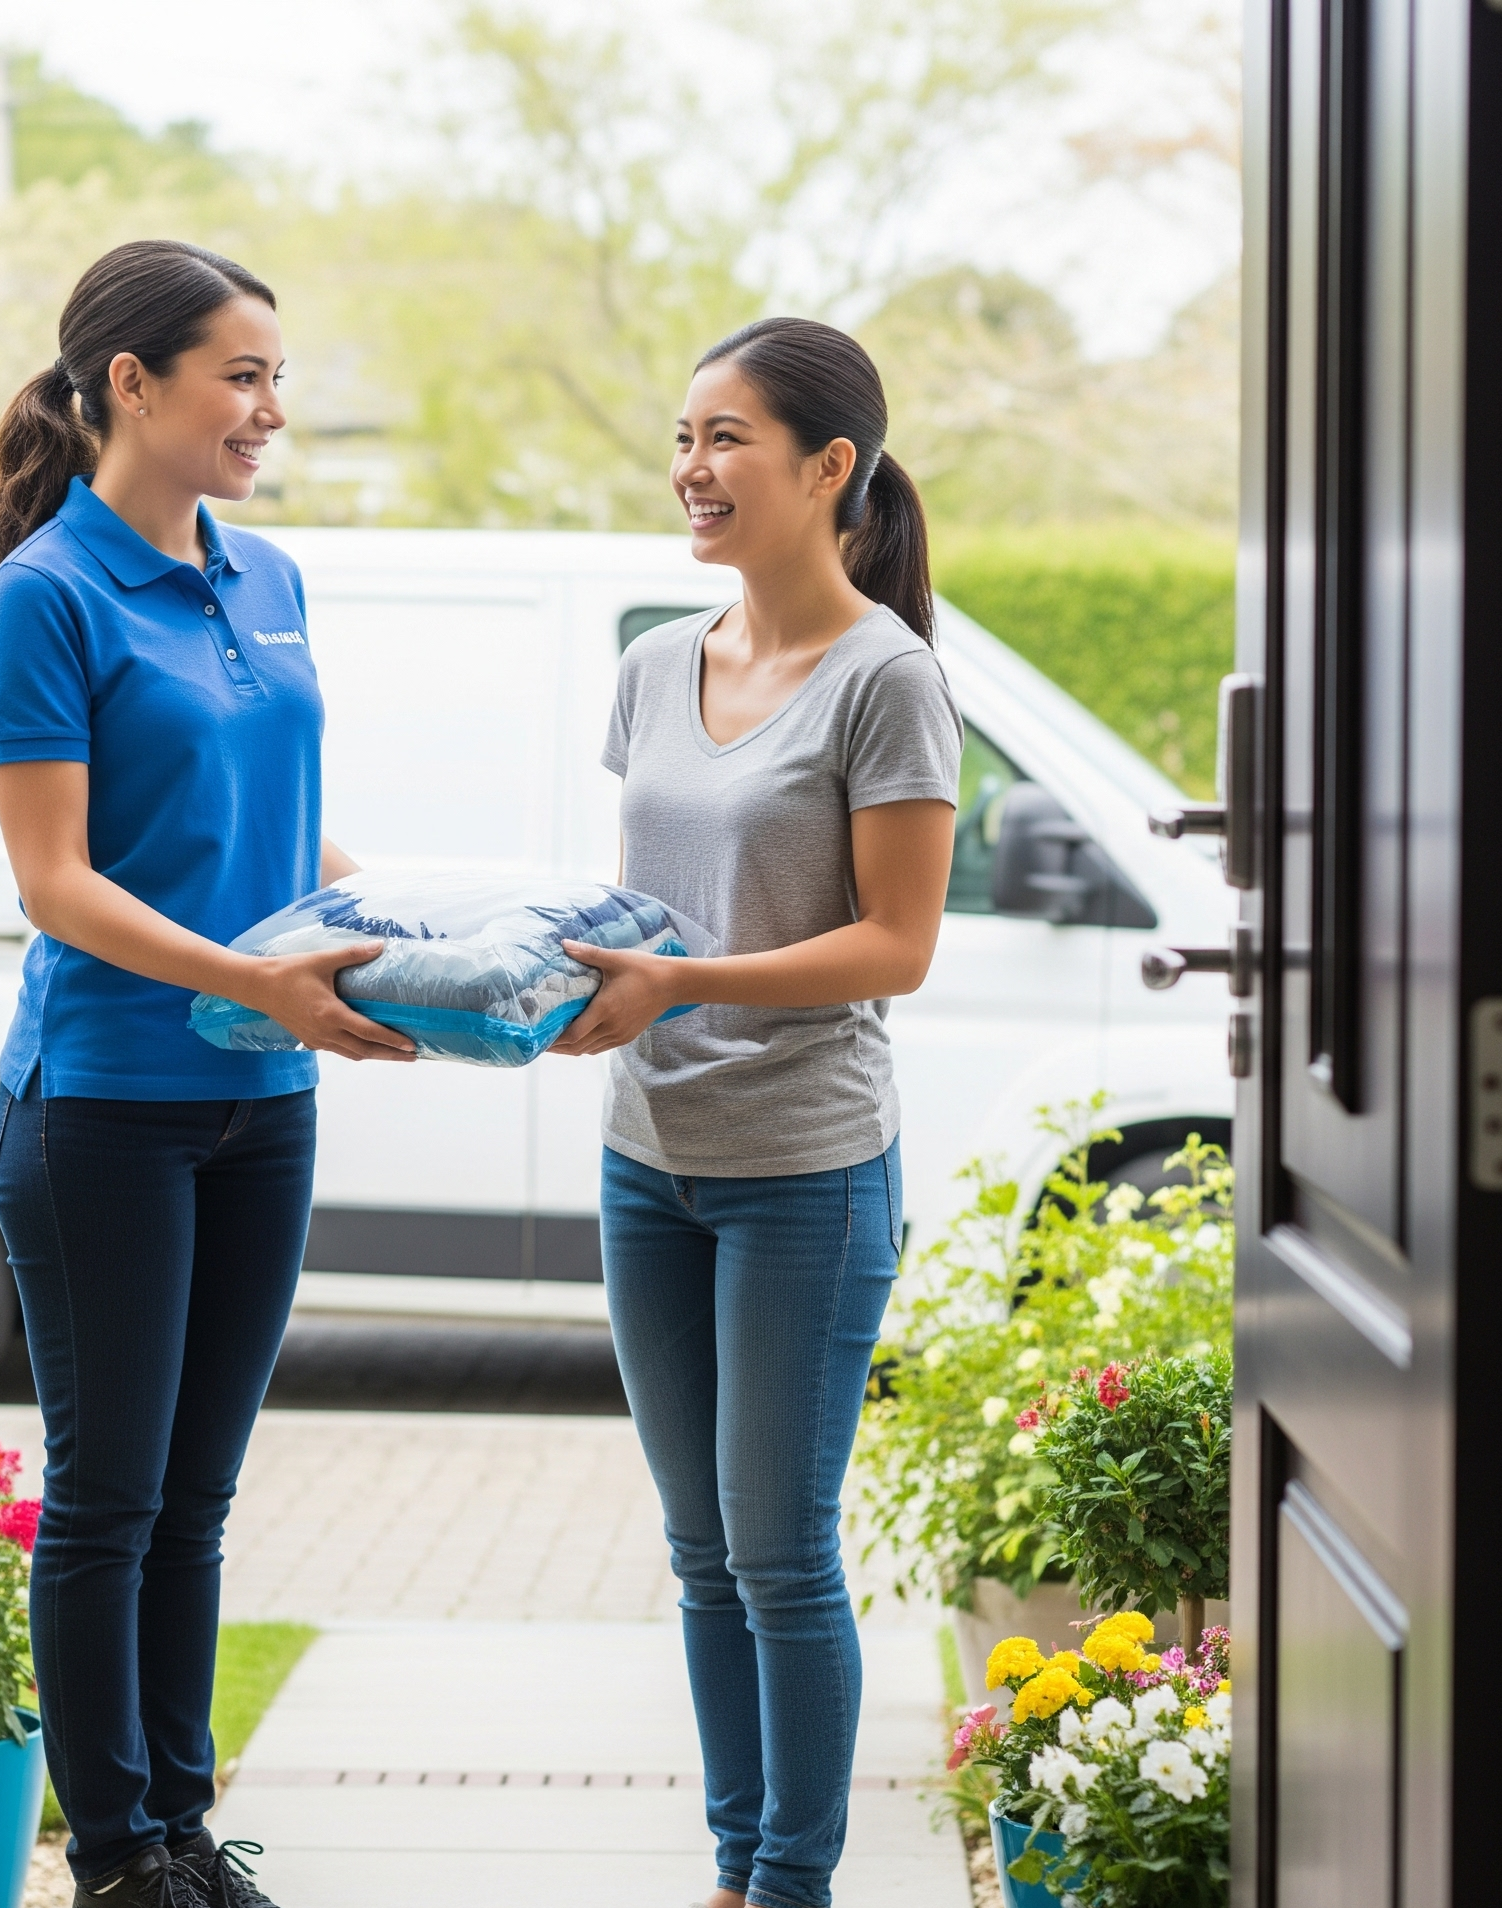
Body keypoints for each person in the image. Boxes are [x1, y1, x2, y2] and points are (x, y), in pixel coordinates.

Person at [0, 239, 415, 1908]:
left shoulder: (270, 578)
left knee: (201, 1497)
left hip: (260, 1104)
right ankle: (114, 1857)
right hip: (102, 1106)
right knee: (110, 1497)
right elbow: (58, 880)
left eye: (278, 377)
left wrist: (410, 933)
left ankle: (178, 1823)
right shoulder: (45, 597)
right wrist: (257, 982)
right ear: (129, 385)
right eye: (241, 375)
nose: (270, 409)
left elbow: (284, 828)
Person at [550, 317, 962, 1908]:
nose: (691, 470)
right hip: (649, 1158)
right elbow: (659, 895)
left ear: (829, 467)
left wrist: (680, 982)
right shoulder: (659, 661)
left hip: (805, 1167)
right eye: (683, 438)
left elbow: (895, 945)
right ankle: (738, 1872)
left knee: (781, 1554)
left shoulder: (889, 678)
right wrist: (542, 962)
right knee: (701, 1555)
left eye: (725, 439)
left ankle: (792, 1885)